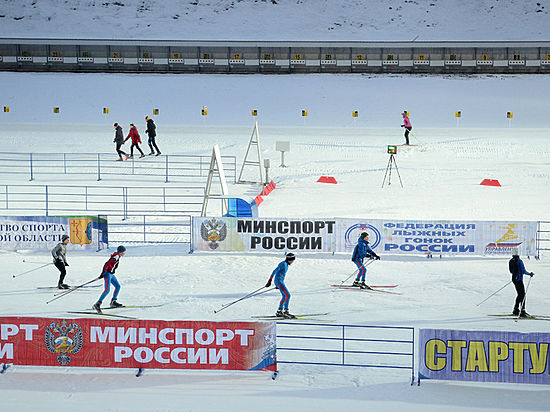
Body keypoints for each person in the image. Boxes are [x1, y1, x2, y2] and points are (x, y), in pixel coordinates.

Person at [93, 245, 126, 313]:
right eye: (124, 251)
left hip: (111, 274)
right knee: (107, 290)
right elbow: (106, 264)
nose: (124, 253)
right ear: (121, 252)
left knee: (118, 286)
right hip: (107, 274)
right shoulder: (115, 257)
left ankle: (113, 302)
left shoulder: (117, 256)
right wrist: (103, 273)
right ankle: (98, 304)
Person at [265, 252, 296, 319]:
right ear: (290, 259)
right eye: (293, 260)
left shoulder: (286, 264)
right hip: (279, 282)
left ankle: (279, 311)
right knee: (288, 295)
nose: (293, 261)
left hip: (279, 282)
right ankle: (286, 312)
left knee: (284, 296)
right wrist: (269, 280)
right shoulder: (283, 264)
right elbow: (274, 271)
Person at [509, 248, 534, 317]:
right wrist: (530, 274)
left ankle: (516, 309)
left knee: (519, 294)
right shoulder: (519, 261)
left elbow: (510, 271)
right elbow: (523, 271)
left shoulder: (510, 261)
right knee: (522, 295)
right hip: (519, 280)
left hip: (514, 279)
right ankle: (522, 311)